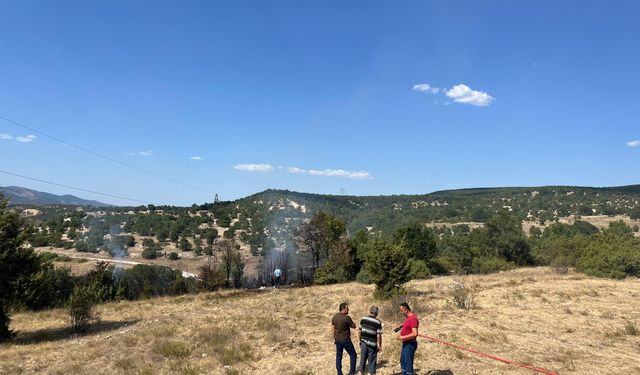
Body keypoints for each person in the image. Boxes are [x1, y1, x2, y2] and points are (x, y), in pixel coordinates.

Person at [332, 302, 357, 375]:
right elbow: (354, 326)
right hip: (346, 340)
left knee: (339, 356)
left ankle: (339, 373)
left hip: (338, 339)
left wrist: (334, 338)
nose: (348, 309)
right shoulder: (346, 318)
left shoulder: (335, 316)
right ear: (343, 309)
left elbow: (332, 328)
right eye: (347, 308)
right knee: (353, 355)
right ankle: (352, 372)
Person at [357, 305, 383, 375]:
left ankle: (360, 373)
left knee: (362, 360)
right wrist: (379, 345)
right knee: (372, 362)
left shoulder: (363, 319)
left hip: (363, 342)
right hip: (372, 344)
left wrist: (359, 341)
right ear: (376, 313)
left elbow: (359, 331)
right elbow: (379, 335)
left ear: (370, 311)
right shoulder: (378, 322)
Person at [396, 302, 419, 375]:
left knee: (408, 365)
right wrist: (402, 326)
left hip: (410, 344)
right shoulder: (408, 318)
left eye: (402, 311)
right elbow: (409, 325)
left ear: (406, 310)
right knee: (403, 361)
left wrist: (402, 337)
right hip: (406, 344)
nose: (401, 312)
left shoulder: (413, 318)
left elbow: (415, 333)